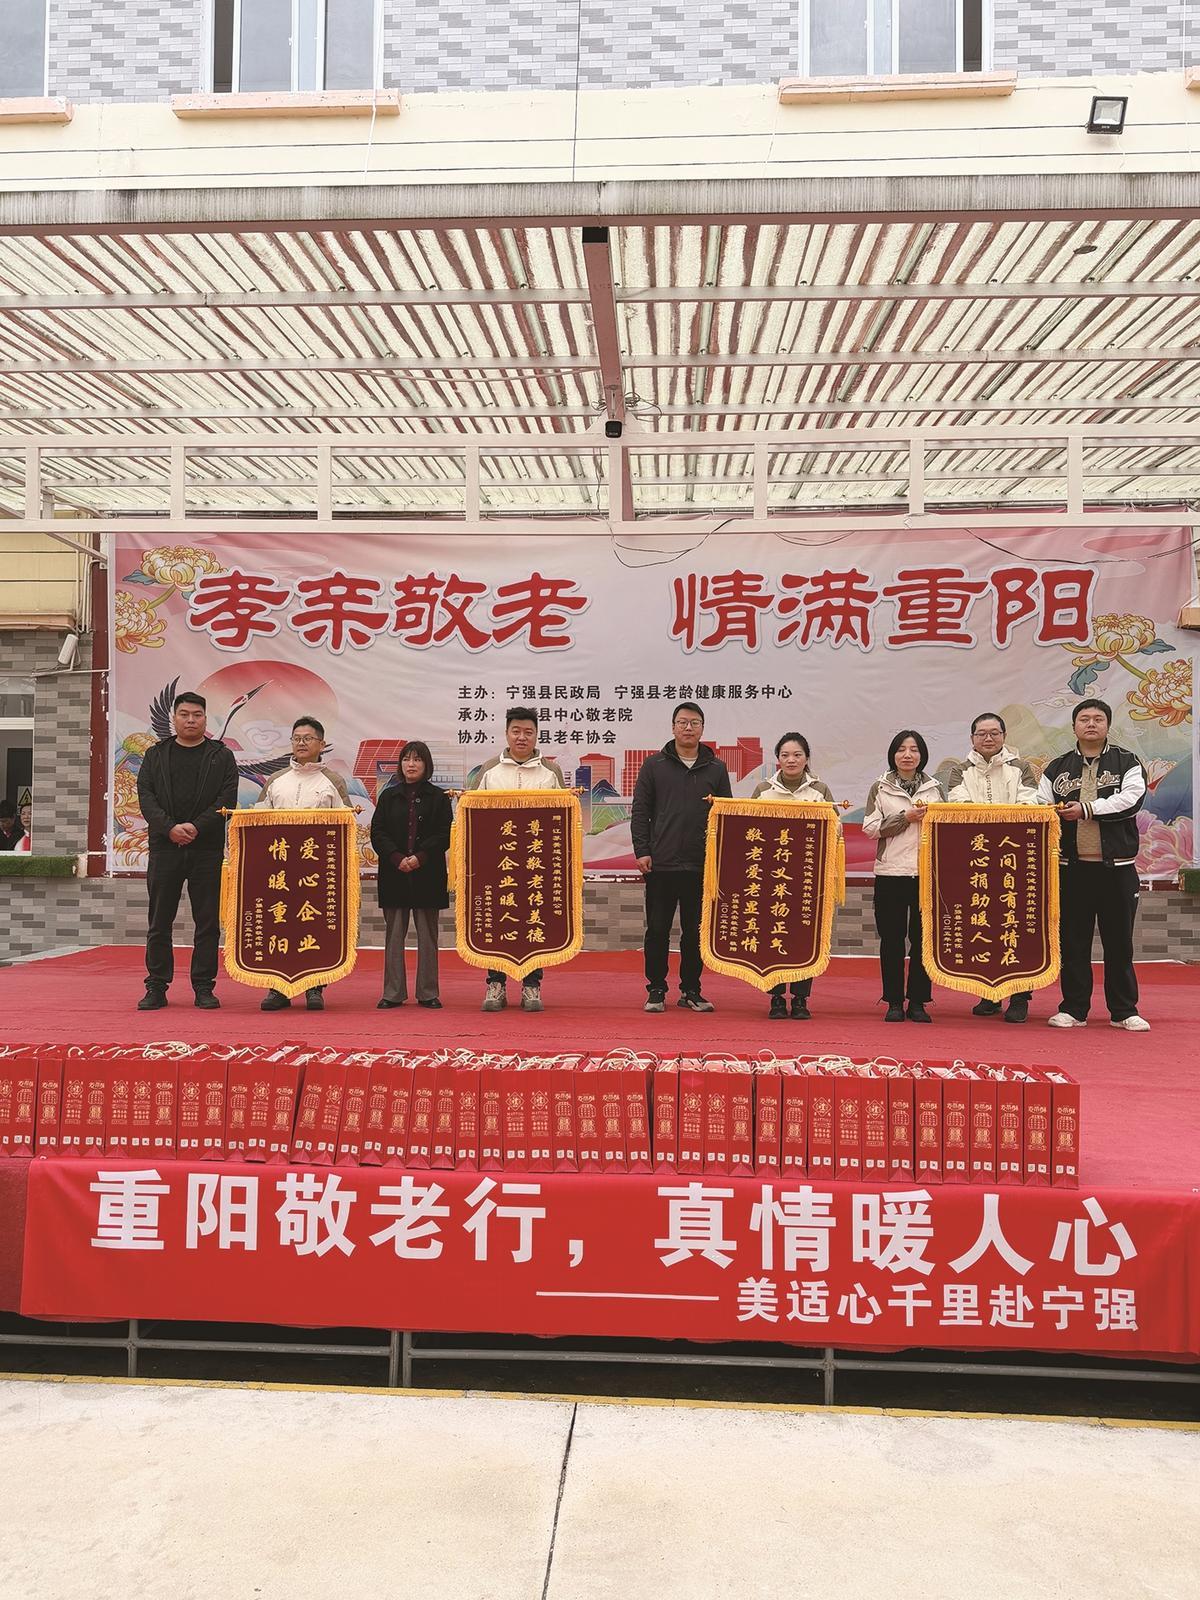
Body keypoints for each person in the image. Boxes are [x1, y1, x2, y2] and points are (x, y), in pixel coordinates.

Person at [1037, 697, 1150, 1032]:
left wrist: (1086, 809)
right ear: (1074, 726)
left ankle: (1123, 1011)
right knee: (1073, 942)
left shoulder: (1127, 761)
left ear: (1107, 725)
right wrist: (1053, 811)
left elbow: (1131, 800)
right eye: (1084, 718)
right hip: (1072, 870)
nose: (1090, 724)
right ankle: (1074, 1009)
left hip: (1117, 869)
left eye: (1098, 719)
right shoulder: (1057, 767)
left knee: (1119, 943)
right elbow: (1041, 805)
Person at [135, 690, 239, 1011]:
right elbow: (146, 797)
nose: (190, 720)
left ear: (205, 719)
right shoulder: (155, 755)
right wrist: (170, 828)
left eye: (197, 715)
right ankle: (156, 986)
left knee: (207, 922)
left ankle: (204, 987)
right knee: (159, 920)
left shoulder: (221, 756)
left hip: (206, 849)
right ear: (174, 718)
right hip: (164, 848)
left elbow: (227, 799)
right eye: (184, 714)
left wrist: (195, 826)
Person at [632, 701, 732, 1013]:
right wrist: (642, 850)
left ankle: (691, 990)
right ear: (673, 727)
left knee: (695, 933)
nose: (688, 728)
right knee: (657, 930)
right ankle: (656, 989)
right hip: (661, 863)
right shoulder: (654, 765)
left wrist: (720, 858)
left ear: (703, 728)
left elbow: (724, 814)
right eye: (682, 722)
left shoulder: (716, 769)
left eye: (694, 723)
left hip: (701, 864)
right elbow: (640, 811)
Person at [945, 711, 1042, 1024]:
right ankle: (989, 992)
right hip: (978, 860)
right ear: (972, 738)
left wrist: (997, 825)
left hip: (1015, 859)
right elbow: (960, 807)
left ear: (1004, 736)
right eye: (981, 734)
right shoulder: (960, 771)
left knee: (1017, 927)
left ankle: (1020, 996)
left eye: (994, 733)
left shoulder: (1021, 768)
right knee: (983, 925)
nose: (988, 738)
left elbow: (1029, 805)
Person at [469, 706, 568, 1012]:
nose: (521, 737)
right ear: (506, 734)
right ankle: (495, 984)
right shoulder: (489, 770)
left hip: (537, 861)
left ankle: (531, 985)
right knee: (497, 920)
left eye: (528, 732)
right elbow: (471, 812)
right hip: (497, 862)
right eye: (516, 731)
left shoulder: (550, 772)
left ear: (536, 735)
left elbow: (563, 816)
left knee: (535, 919)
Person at [255, 716, 354, 1012]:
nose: (301, 743)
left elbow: (346, 824)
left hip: (317, 871)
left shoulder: (333, 781)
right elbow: (257, 821)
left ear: (321, 744)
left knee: (314, 925)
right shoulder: (275, 780)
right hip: (279, 870)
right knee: (279, 924)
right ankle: (278, 989)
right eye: (296, 738)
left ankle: (314, 988)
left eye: (308, 738)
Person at [749, 732, 838, 1020]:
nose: (791, 760)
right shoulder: (764, 789)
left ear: (806, 758)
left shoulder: (819, 790)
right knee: (772, 933)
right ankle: (775, 997)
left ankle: (800, 998)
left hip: (807, 876)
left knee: (803, 935)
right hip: (772, 876)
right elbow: (749, 828)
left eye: (797, 755)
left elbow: (835, 828)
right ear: (778, 759)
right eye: (785, 755)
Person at [863, 730, 944, 1022]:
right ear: (893, 755)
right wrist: (904, 818)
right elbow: (870, 828)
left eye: (914, 749)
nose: (907, 755)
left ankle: (918, 1002)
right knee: (892, 940)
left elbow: (947, 825)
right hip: (891, 872)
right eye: (901, 749)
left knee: (923, 940)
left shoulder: (935, 788)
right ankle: (894, 1001)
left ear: (922, 755)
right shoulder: (880, 787)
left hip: (925, 874)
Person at [370, 740, 452, 1010]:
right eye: (406, 759)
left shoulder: (439, 797)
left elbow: (444, 834)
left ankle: (428, 992)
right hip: (394, 874)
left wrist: (420, 857)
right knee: (394, 935)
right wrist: (397, 858)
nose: (411, 764)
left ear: (427, 765)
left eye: (417, 759)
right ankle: (393, 993)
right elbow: (377, 832)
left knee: (428, 936)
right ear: (400, 764)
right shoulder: (388, 796)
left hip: (428, 874)